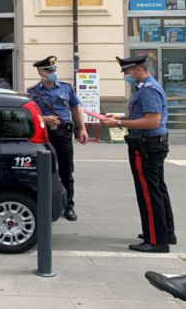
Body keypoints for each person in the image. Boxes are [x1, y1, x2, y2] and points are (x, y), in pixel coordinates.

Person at [101, 54, 176, 253]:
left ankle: (156, 240)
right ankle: (165, 232)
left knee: (149, 193)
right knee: (158, 189)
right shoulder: (147, 87)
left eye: (127, 71)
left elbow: (151, 121)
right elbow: (142, 116)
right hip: (153, 145)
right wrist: (119, 116)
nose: (126, 75)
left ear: (139, 70)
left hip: (147, 146)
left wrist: (118, 123)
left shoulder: (148, 90)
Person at [27, 56, 88, 221]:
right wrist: (44, 119)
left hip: (63, 134)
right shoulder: (32, 92)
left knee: (67, 171)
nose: (52, 72)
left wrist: (82, 128)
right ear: (40, 72)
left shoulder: (66, 88)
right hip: (43, 135)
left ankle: (68, 206)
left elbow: (75, 109)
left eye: (54, 69)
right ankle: (45, 205)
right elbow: (29, 115)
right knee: (43, 170)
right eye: (48, 70)